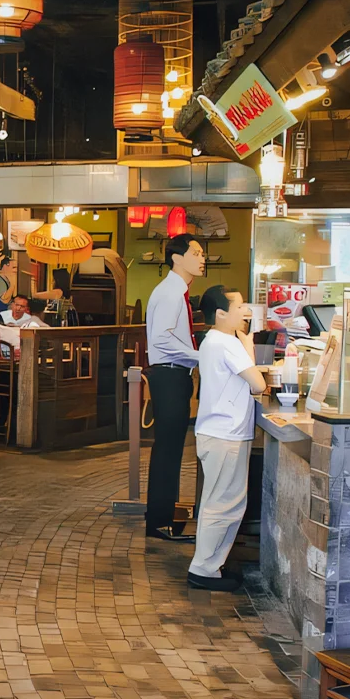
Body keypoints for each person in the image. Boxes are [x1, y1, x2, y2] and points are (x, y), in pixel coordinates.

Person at [188, 286, 268, 591]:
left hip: (215, 432)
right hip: (226, 434)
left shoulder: (213, 340)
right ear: (221, 313)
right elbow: (258, 385)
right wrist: (247, 345)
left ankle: (208, 567)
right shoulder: (227, 343)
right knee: (224, 504)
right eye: (239, 307)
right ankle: (204, 570)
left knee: (217, 502)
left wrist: (244, 342)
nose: (245, 311)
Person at [145, 233, 206, 543]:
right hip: (169, 375)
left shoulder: (176, 289)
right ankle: (159, 522)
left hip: (173, 374)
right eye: (195, 253)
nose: (202, 258)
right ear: (176, 258)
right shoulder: (170, 292)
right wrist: (201, 355)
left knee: (170, 450)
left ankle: (162, 518)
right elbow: (160, 339)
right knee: (168, 450)